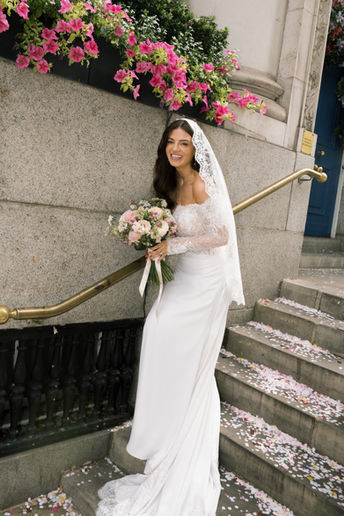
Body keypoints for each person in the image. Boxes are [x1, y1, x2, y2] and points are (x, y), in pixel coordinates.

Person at [97, 118, 245, 516]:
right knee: (158, 330)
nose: (176, 148)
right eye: (171, 142)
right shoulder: (169, 183)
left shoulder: (199, 182)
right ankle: (164, 428)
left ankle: (182, 431)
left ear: (196, 150)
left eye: (184, 143)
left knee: (173, 341)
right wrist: (152, 235)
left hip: (207, 282)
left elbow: (221, 236)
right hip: (184, 279)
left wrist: (172, 245)